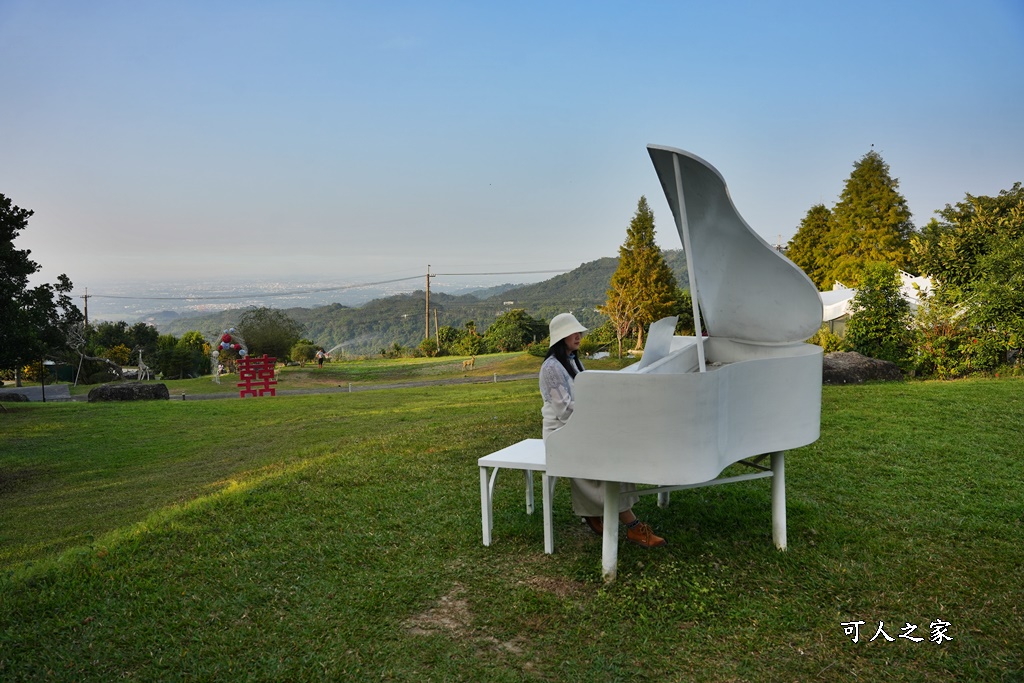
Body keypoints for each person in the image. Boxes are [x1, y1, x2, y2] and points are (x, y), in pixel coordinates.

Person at [539, 313, 666, 548]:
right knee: (607, 455)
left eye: (579, 332)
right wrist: (598, 412)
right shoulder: (551, 368)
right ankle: (632, 526)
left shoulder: (572, 360)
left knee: (618, 449)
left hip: (577, 425)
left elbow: (582, 397)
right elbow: (564, 411)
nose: (578, 336)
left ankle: (599, 512)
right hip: (562, 433)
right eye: (572, 333)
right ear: (560, 338)